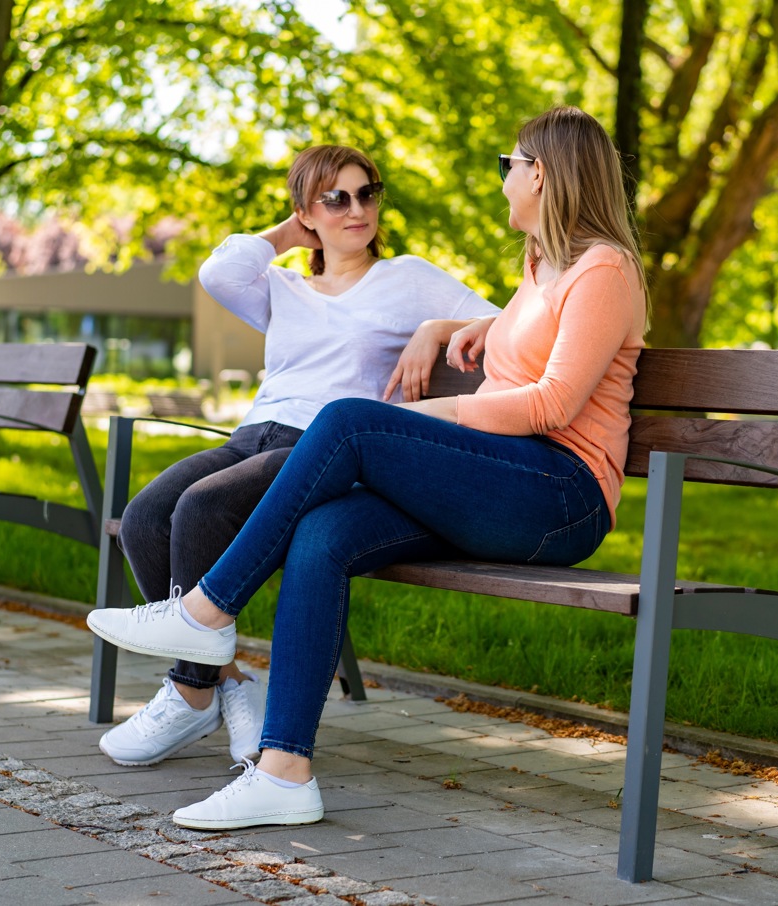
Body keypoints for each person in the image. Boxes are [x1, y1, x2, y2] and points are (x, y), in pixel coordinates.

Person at [88, 105, 648, 830]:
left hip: (559, 495)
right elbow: (527, 340)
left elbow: (551, 403)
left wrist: (429, 415)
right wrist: (453, 327)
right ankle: (283, 772)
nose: (503, 179)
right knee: (323, 533)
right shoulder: (542, 266)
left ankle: (206, 611)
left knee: (349, 419)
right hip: (495, 480)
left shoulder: (605, 267)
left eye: (507, 165)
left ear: (539, 175)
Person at [99, 145, 498, 769]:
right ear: (306, 212)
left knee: (201, 509)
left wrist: (434, 329)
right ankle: (224, 682)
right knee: (145, 517)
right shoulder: (282, 287)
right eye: (334, 198)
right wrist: (291, 231)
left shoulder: (408, 278)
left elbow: (503, 323)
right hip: (250, 437)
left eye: (366, 193)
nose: (356, 209)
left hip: (325, 450)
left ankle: (191, 693)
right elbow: (218, 273)